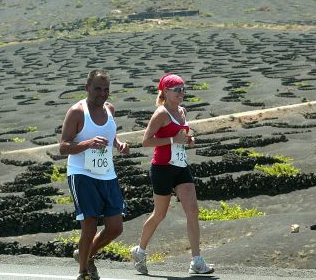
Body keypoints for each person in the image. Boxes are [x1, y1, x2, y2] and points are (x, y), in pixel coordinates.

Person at [130, 73, 214, 275]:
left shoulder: (182, 111)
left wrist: (188, 140)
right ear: (165, 92)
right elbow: (146, 141)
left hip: (180, 166)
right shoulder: (161, 114)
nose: (181, 93)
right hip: (162, 168)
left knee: (193, 211)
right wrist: (172, 141)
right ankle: (140, 251)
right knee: (160, 214)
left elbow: (181, 136)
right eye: (177, 89)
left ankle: (197, 261)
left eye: (183, 89)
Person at [60, 69, 129, 280]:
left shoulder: (110, 109)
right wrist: (88, 143)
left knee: (116, 228)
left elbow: (110, 133)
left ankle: (87, 255)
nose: (102, 93)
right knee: (89, 228)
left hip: (107, 174)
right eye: (97, 88)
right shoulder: (77, 112)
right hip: (82, 175)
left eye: (106, 89)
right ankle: (83, 272)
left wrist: (119, 144)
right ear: (87, 87)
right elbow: (63, 147)